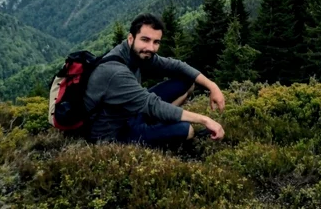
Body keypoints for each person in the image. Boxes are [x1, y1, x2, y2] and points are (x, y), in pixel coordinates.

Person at [83, 13, 225, 148]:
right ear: (131, 39)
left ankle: (159, 123)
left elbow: (176, 66)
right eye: (145, 39)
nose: (150, 48)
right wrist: (205, 120)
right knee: (187, 130)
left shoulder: (135, 53)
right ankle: (167, 131)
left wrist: (212, 86)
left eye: (156, 42)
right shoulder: (115, 72)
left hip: (129, 113)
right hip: (111, 135)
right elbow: (152, 105)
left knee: (186, 82)